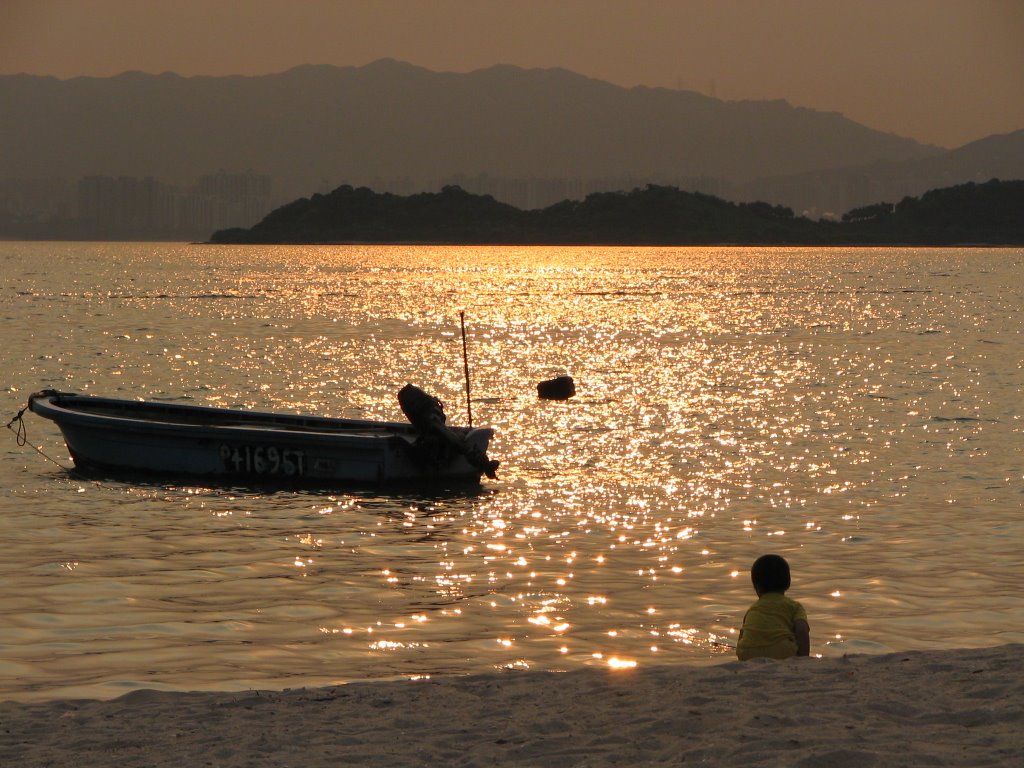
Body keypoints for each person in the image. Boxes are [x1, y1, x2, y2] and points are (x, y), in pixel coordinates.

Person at [736, 554, 810, 660]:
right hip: (782, 651)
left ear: (756, 587)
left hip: (747, 652)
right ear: (788, 583)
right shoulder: (794, 606)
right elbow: (802, 630)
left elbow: (744, 633)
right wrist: (804, 658)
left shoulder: (753, 609)